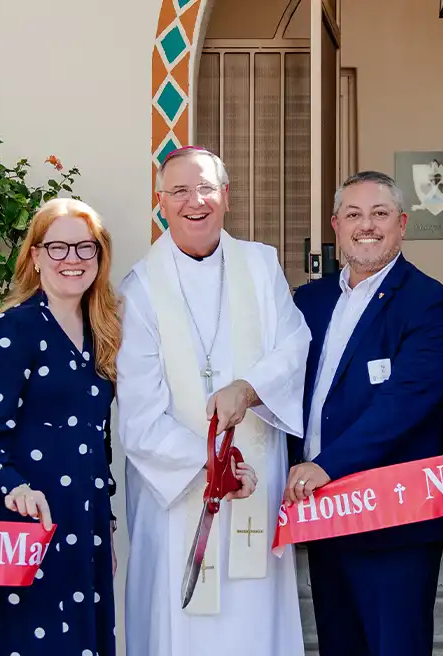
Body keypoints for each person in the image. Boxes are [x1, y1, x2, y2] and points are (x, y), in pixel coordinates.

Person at [116, 146, 310, 656]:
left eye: (205, 188)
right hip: (178, 493)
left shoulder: (261, 265)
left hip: (255, 488)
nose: (194, 201)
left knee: (253, 622)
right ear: (161, 202)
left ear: (226, 197)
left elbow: (294, 345)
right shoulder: (140, 288)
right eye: (179, 191)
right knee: (182, 627)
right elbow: (139, 414)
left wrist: (248, 389)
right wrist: (215, 465)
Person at [287, 170, 443, 656]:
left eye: (380, 213)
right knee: (338, 645)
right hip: (324, 514)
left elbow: (403, 405)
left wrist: (325, 466)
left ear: (402, 223)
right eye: (353, 214)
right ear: (336, 225)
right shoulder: (309, 300)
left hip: (392, 520)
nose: (366, 225)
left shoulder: (431, 304)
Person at [0, 198, 120, 655]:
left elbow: (97, 440)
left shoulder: (102, 331)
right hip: (25, 524)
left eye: (85, 247)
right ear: (35, 255)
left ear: (99, 255)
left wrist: (105, 520)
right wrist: (15, 487)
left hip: (83, 521)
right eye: (58, 247)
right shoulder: (14, 329)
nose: (72, 259)